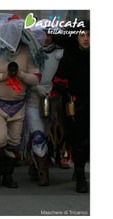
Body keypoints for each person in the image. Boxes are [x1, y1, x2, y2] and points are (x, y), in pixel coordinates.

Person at [0, 19, 44, 189]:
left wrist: (20, 74)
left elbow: (36, 79)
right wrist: (3, 76)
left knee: (14, 142)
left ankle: (8, 175)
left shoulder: (27, 51)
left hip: (18, 105)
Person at [52, 21, 90, 193]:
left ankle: (81, 168)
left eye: (89, 35)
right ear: (77, 37)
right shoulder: (70, 55)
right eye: (82, 35)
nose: (86, 39)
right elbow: (58, 79)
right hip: (76, 105)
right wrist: (67, 93)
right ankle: (81, 175)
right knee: (79, 140)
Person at [25, 25, 64, 186]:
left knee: (48, 133)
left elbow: (65, 73)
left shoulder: (60, 53)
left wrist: (57, 86)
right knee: (38, 134)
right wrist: (35, 86)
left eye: (49, 34)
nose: (46, 37)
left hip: (53, 100)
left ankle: (36, 163)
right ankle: (43, 172)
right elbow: (23, 74)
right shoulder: (30, 53)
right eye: (42, 35)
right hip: (33, 100)